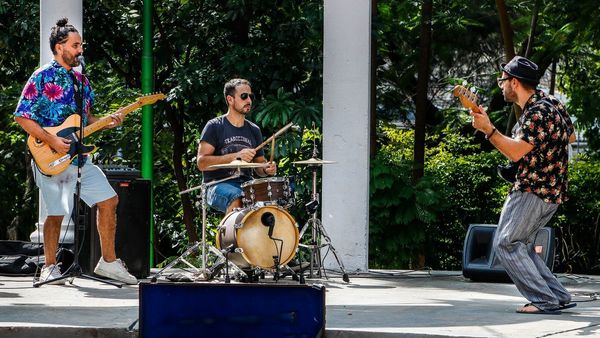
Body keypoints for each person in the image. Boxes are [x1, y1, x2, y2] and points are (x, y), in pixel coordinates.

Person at [14, 18, 137, 285]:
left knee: (109, 201)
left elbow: (86, 119)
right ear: (60, 48)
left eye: (80, 44)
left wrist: (107, 121)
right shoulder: (41, 76)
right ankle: (49, 267)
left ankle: (108, 262)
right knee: (56, 212)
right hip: (50, 154)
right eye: (75, 45)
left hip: (80, 157)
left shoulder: (82, 80)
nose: (80, 49)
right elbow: (22, 117)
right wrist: (53, 140)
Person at [470, 55, 576, 314]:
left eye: (502, 81)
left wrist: (489, 130)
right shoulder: (552, 103)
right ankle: (557, 295)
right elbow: (570, 136)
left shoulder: (536, 113)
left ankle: (544, 300)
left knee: (506, 243)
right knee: (522, 246)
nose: (501, 86)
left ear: (514, 82)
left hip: (532, 190)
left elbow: (516, 153)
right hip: (552, 191)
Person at [196, 78, 277, 215]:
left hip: (246, 184)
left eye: (251, 96)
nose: (249, 101)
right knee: (238, 197)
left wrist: (267, 168)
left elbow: (259, 167)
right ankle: (230, 237)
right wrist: (235, 156)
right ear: (230, 99)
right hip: (216, 185)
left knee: (273, 201)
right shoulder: (214, 126)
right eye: (244, 96)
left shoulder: (254, 130)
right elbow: (202, 163)